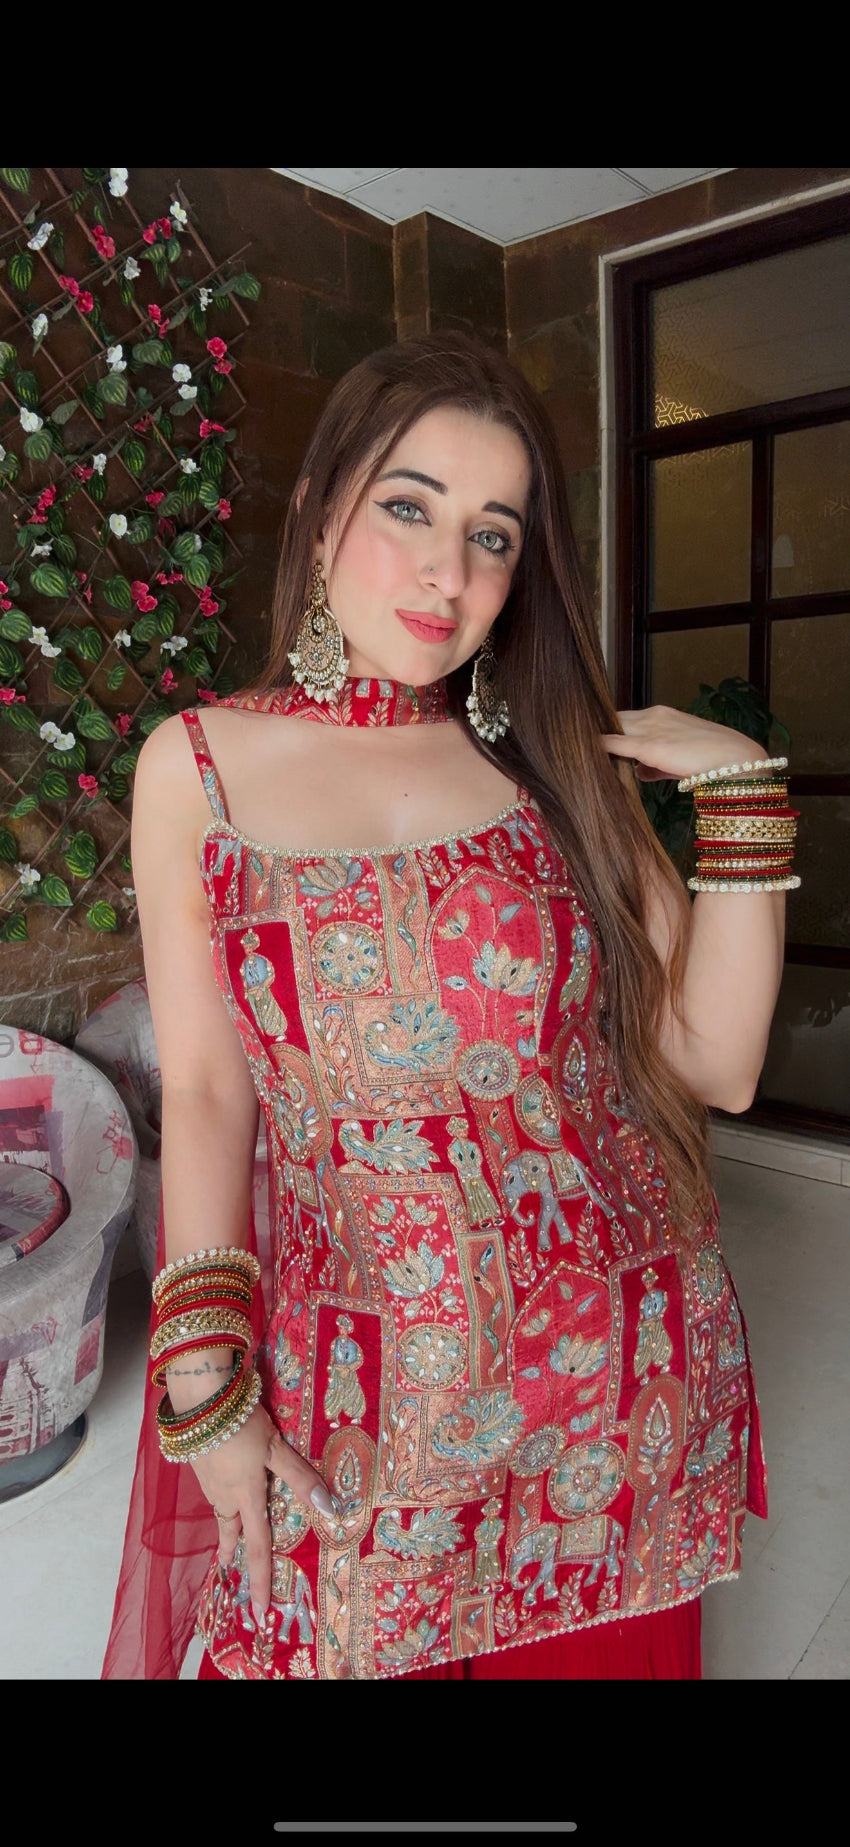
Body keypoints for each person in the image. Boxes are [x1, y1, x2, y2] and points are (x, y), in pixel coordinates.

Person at [102, 328, 798, 1682]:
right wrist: (203, 1378)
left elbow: (715, 1065)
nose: (447, 569)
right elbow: (202, 1087)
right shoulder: (197, 766)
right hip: (365, 1380)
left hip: (613, 1373)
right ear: (319, 516)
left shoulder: (549, 763)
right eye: (408, 507)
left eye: (494, 535)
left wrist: (742, 795)